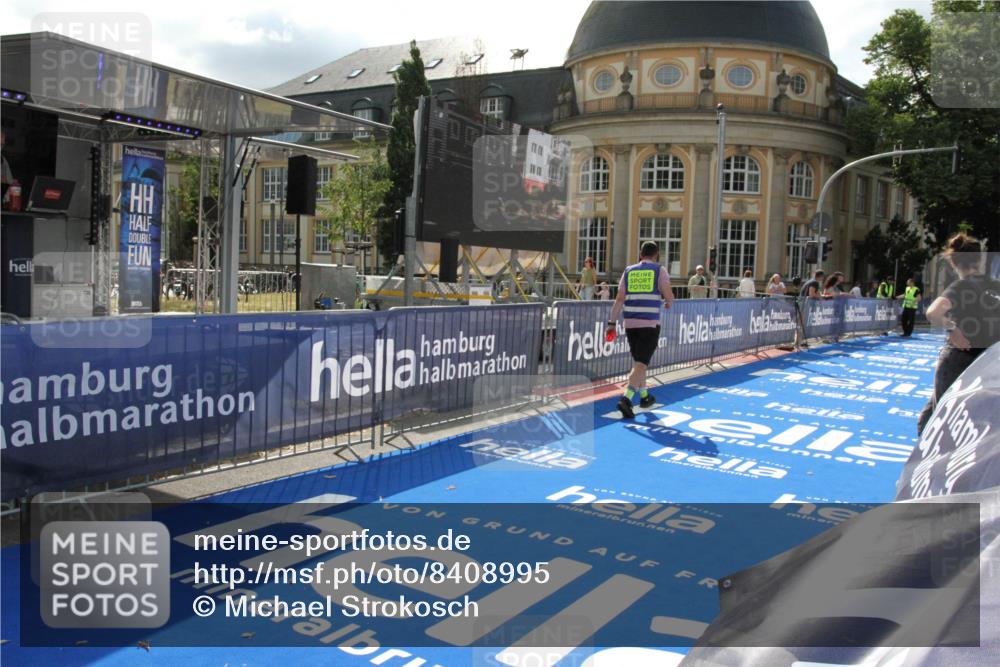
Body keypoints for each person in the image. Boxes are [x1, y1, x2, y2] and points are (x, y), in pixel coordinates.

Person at [918, 233, 1000, 434]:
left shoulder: (961, 286)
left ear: (953, 263)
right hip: (988, 364)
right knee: (975, 421)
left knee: (938, 418)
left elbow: (933, 312)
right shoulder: (995, 286)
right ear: (980, 260)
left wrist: (952, 329)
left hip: (958, 359)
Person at [607, 241, 674, 419]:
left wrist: (611, 323)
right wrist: (669, 301)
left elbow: (619, 299)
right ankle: (626, 399)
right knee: (641, 364)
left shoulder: (629, 271)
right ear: (656, 254)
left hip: (630, 324)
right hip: (649, 324)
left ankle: (644, 397)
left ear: (640, 254)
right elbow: (668, 294)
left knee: (639, 362)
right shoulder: (659, 270)